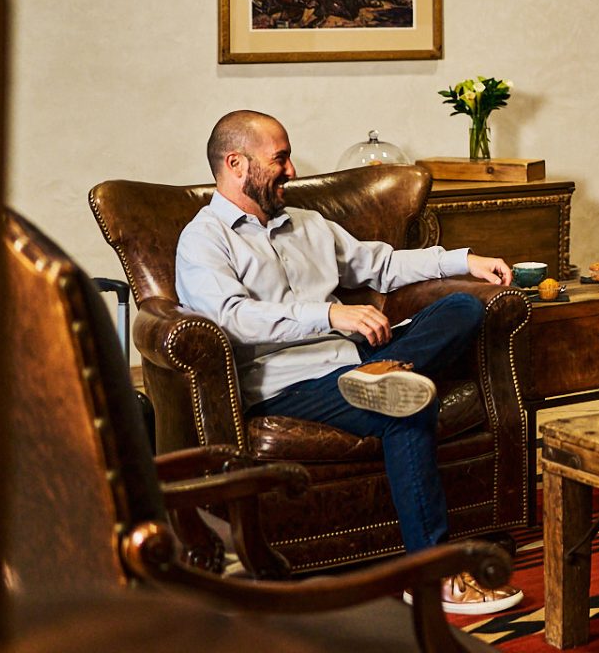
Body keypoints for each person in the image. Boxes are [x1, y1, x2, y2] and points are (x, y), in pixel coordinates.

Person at [175, 110, 524, 615]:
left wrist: (463, 261)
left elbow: (380, 264)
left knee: (464, 308)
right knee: (406, 409)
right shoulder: (204, 240)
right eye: (281, 159)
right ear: (236, 164)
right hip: (288, 378)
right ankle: (431, 576)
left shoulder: (307, 223)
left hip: (356, 359)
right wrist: (330, 314)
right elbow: (234, 319)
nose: (292, 171)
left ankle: (383, 375)